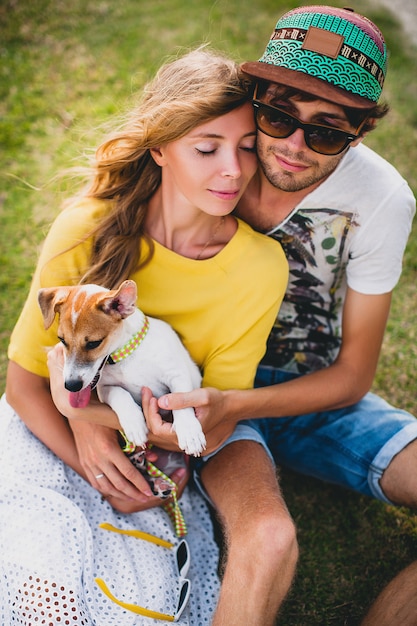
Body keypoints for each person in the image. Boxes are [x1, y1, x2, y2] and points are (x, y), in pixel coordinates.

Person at [0, 47, 288, 625]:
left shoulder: (259, 267)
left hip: (154, 462)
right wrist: (86, 445)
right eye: (206, 148)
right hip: (45, 440)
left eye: (247, 147)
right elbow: (25, 385)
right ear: (159, 148)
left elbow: (216, 417)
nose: (233, 168)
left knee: (137, 610)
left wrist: (118, 436)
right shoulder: (87, 228)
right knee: (43, 600)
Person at [148, 6, 417, 625]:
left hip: (311, 394)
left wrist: (238, 407)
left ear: (360, 132)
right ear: (256, 99)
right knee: (266, 537)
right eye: (277, 116)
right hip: (200, 386)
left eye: (326, 132)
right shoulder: (210, 152)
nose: (294, 146)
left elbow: (353, 375)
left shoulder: (382, 200)